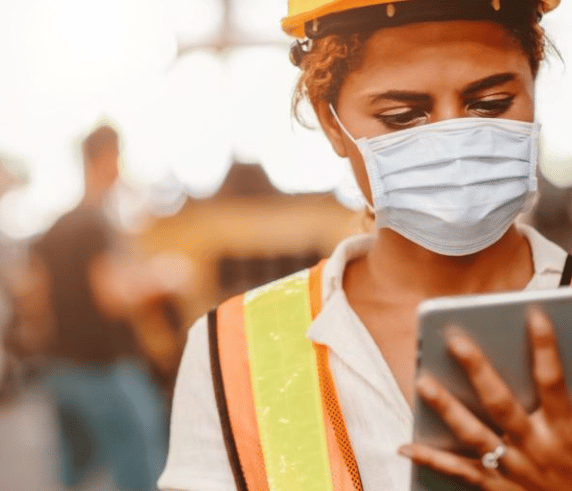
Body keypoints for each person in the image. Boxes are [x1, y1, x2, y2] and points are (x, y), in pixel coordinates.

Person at [158, 0, 572, 490]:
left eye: (490, 105)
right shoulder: (232, 352)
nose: (451, 139)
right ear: (331, 123)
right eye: (402, 115)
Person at [32, 124, 168, 490]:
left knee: (74, 473)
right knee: (139, 463)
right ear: (108, 157)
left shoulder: (55, 227)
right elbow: (111, 298)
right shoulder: (96, 223)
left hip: (59, 367)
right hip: (103, 367)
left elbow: (37, 303)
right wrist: (161, 281)